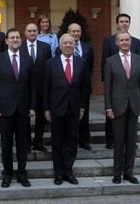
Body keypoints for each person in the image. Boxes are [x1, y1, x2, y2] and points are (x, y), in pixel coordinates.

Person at [0, 28, 35, 188]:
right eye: (12, 37)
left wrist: (32, 107)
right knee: (6, 144)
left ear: (20, 41)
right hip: (4, 109)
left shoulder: (28, 59)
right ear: (7, 41)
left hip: (23, 110)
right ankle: (7, 174)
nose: (15, 40)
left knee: (23, 144)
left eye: (17, 37)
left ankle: (22, 173)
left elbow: (32, 86)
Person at [43, 34, 89, 185]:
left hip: (74, 109)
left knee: (71, 141)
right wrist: (46, 109)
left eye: (71, 43)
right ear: (60, 46)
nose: (68, 45)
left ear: (74, 45)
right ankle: (58, 173)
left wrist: (82, 107)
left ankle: (68, 170)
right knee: (57, 142)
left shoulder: (81, 62)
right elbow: (46, 88)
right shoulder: (51, 63)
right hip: (56, 109)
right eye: (65, 43)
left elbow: (84, 88)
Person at [104, 32, 140, 185]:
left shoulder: (139, 59)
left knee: (131, 141)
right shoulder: (110, 61)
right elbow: (107, 87)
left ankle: (129, 172)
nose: (124, 42)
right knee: (119, 141)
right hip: (117, 106)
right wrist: (108, 107)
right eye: (121, 40)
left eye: (127, 40)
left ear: (130, 42)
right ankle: (117, 174)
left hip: (134, 106)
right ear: (117, 43)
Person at [101, 13, 140, 149]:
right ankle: (111, 140)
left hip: (130, 85)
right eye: (121, 21)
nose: (124, 23)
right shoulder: (109, 40)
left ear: (129, 23)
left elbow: (138, 63)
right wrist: (105, 80)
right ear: (117, 23)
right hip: (114, 83)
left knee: (130, 115)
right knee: (111, 114)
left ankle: (130, 141)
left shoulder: (136, 41)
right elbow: (104, 61)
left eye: (126, 21)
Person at [20, 23, 51, 152]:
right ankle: (26, 143)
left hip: (40, 89)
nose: (32, 33)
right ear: (25, 32)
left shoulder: (46, 47)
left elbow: (49, 68)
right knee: (24, 118)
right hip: (23, 90)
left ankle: (38, 142)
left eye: (34, 31)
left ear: (38, 32)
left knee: (40, 118)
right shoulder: (19, 47)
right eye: (30, 31)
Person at [67, 23, 94, 151]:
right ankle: (69, 140)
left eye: (78, 31)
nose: (76, 33)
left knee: (84, 115)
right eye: (73, 31)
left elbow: (90, 68)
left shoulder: (87, 48)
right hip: (67, 88)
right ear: (69, 32)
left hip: (83, 88)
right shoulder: (61, 48)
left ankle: (84, 141)